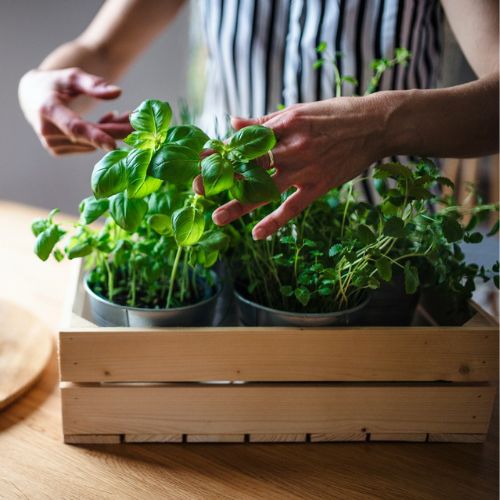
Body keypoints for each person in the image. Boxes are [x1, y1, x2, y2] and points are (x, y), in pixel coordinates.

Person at [18, 0, 499, 240]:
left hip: (380, 238)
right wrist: (38, 82)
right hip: (226, 223)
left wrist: (379, 127)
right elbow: (101, 47)